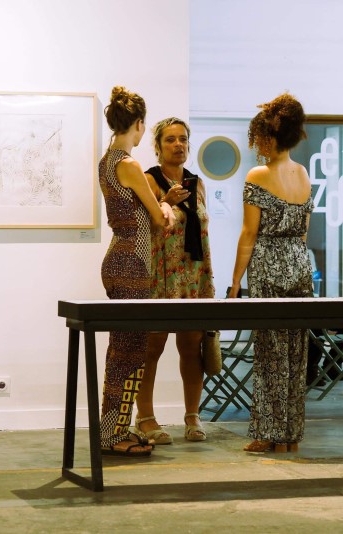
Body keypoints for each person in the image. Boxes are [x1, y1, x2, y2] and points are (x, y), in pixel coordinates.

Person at [228, 93, 313, 453]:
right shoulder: (302, 173)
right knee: (295, 353)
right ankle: (290, 436)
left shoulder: (259, 175)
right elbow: (304, 230)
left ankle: (268, 432)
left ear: (269, 136)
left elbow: (249, 233)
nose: (257, 144)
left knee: (270, 351)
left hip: (268, 263)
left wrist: (235, 282)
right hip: (299, 263)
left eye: (260, 137)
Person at [99, 87, 175, 457]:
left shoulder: (107, 160)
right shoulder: (128, 164)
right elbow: (158, 219)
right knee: (129, 352)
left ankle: (114, 429)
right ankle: (112, 435)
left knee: (124, 350)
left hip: (120, 259)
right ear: (140, 124)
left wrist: (160, 205)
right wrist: (168, 206)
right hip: (133, 262)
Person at [133, 117, 215, 445]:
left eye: (183, 139)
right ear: (158, 146)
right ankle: (145, 418)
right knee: (151, 347)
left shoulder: (197, 182)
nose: (178, 144)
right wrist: (166, 201)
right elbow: (141, 225)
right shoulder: (149, 180)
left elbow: (203, 229)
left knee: (192, 346)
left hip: (194, 277)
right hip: (160, 277)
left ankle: (192, 416)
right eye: (170, 139)